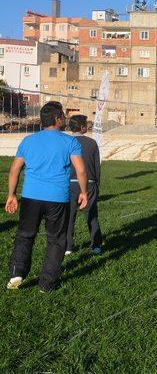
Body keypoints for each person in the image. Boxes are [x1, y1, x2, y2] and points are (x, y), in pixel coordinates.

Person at [6, 102, 87, 292]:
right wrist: (84, 192)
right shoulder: (70, 142)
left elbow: (15, 170)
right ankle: (47, 283)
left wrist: (12, 195)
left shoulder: (28, 141)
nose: (65, 119)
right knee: (56, 240)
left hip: (31, 197)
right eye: (63, 116)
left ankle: (17, 272)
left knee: (25, 236)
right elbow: (81, 170)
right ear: (58, 119)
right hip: (57, 198)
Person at [66, 115, 103, 255]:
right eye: (86, 125)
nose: (88, 127)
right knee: (92, 215)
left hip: (69, 183)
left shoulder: (66, 142)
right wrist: (97, 184)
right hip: (89, 183)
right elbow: (96, 167)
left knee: (69, 216)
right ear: (82, 127)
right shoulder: (92, 143)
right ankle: (96, 245)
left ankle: (68, 246)